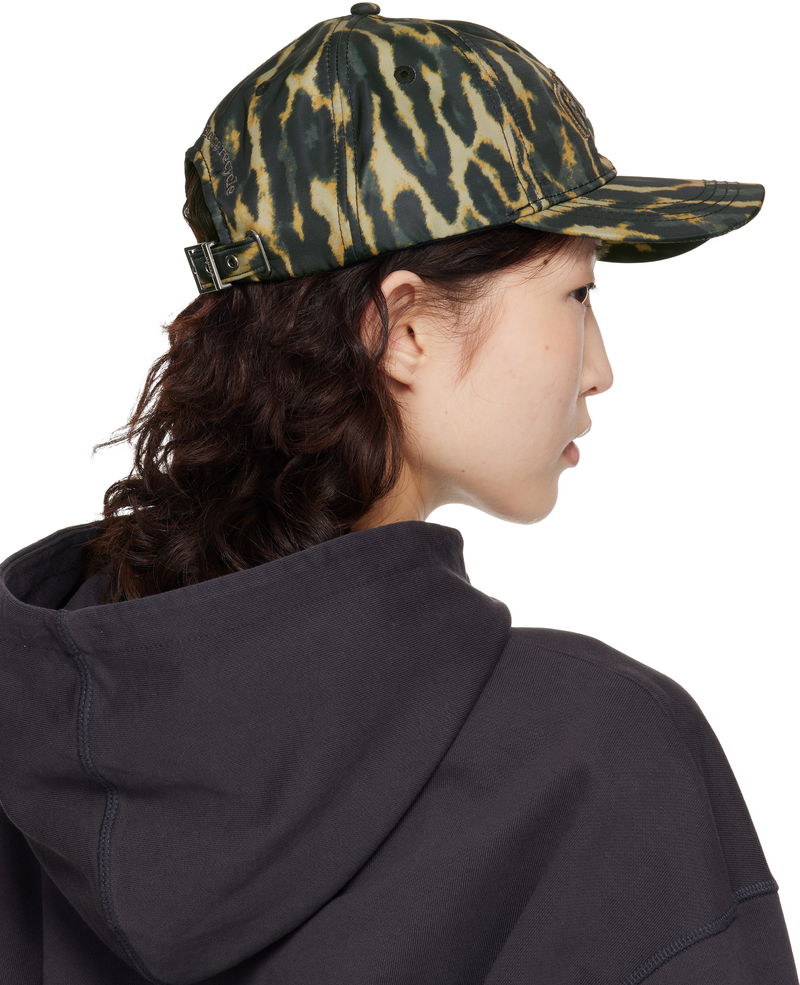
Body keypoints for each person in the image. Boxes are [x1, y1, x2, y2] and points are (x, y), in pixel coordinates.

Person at [0, 5, 796, 984]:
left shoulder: (37, 742)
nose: (599, 370)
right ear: (403, 328)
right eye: (577, 294)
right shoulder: (599, 756)